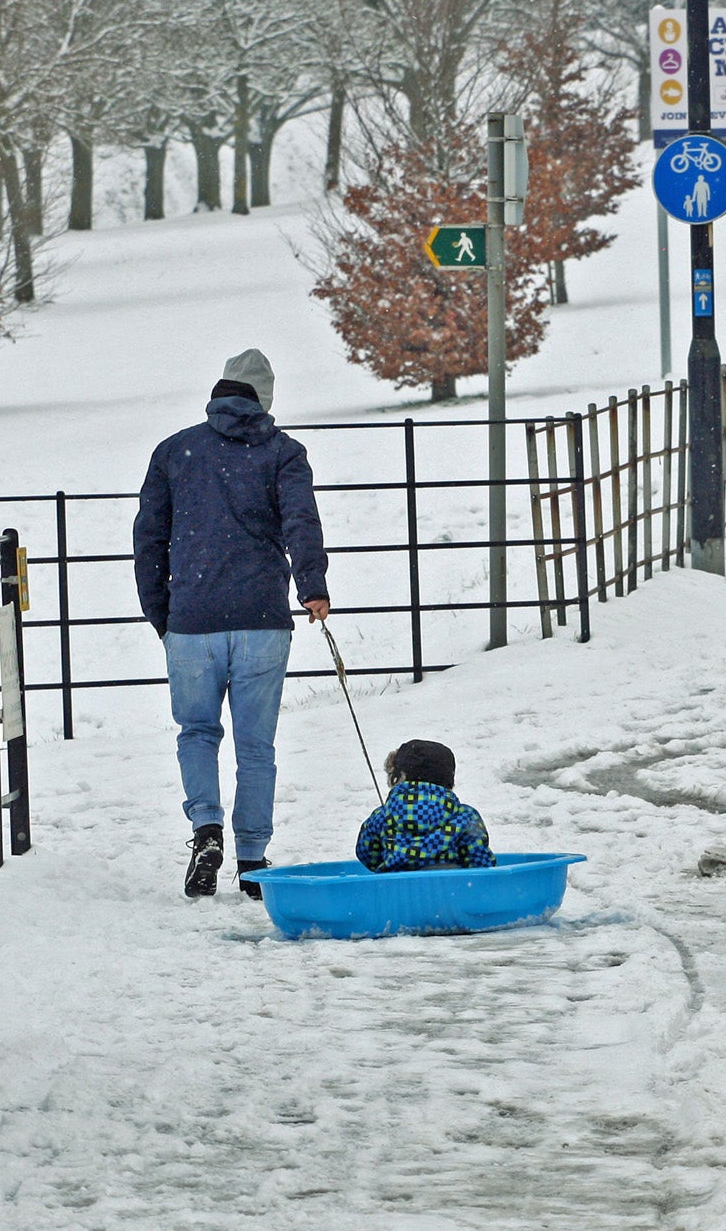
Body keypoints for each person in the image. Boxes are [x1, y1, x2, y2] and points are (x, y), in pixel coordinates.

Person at [134, 348, 329, 899]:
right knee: (256, 747)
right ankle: (251, 857)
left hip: (192, 621)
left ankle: (206, 829)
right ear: (264, 399)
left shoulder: (175, 452)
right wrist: (312, 586)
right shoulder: (284, 453)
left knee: (196, 732)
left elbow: (149, 538)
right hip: (262, 617)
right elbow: (301, 521)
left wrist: (163, 616)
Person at [356, 740, 496, 873]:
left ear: (398, 777)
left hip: (395, 892)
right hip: (453, 891)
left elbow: (366, 853)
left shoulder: (382, 816)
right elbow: (481, 862)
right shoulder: (465, 817)